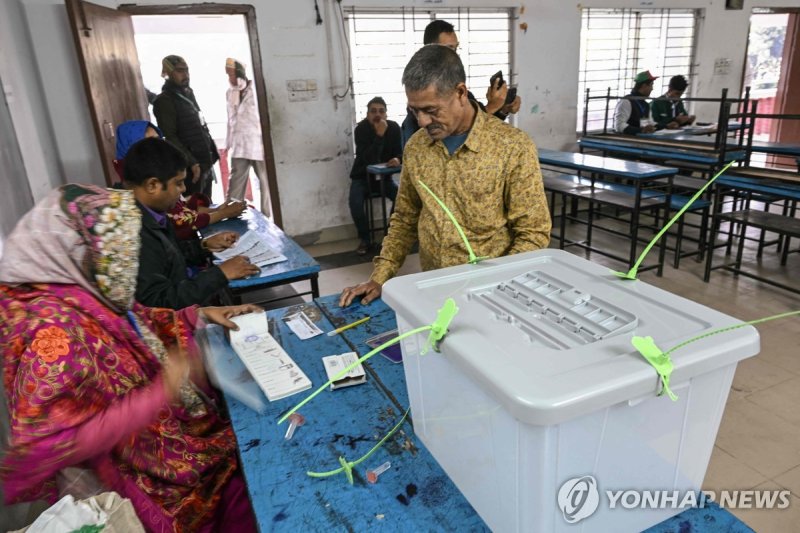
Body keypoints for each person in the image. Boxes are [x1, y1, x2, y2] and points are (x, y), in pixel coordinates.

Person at [0, 183, 259, 532]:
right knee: (241, 489)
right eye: (115, 251)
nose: (124, 262)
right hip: (138, 467)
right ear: (79, 247)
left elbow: (137, 319)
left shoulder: (77, 287)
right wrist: (160, 392)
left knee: (246, 455)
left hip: (160, 432)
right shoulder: (49, 334)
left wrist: (200, 314)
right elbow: (57, 441)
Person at [339, 45, 551, 307]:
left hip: (494, 297)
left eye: (431, 110)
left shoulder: (512, 146)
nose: (423, 121)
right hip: (433, 287)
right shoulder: (417, 147)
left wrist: (496, 289)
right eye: (415, 111)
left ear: (460, 92)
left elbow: (533, 234)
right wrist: (380, 277)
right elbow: (405, 218)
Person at [125, 137, 261, 309]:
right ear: (152, 185)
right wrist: (220, 274)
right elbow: (159, 304)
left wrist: (203, 245)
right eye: (179, 183)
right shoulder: (135, 234)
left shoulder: (153, 212)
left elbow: (170, 256)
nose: (183, 190)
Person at [114, 120, 246, 241]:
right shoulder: (135, 199)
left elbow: (181, 210)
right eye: (151, 141)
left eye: (159, 139)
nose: (160, 146)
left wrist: (215, 211)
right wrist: (223, 213)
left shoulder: (162, 175)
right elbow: (178, 221)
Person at [401, 19, 522, 145]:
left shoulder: (466, 95)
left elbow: (483, 133)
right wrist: (492, 106)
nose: (454, 54)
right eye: (448, 49)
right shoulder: (420, 102)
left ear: (461, 92)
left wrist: (502, 109)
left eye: (455, 48)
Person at [153, 55, 219, 197]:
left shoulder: (188, 93)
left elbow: (199, 126)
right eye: (179, 71)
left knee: (208, 206)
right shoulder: (164, 101)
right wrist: (191, 162)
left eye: (186, 70)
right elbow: (170, 137)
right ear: (168, 73)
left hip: (204, 162)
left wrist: (211, 153)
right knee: (195, 211)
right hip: (189, 168)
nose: (185, 75)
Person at [349, 96, 402, 255]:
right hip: (362, 177)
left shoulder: (393, 128)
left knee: (401, 199)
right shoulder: (361, 129)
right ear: (367, 114)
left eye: (381, 111)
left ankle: (390, 236)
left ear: (386, 114)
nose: (377, 115)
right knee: (355, 202)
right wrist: (379, 136)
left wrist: (397, 159)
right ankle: (365, 239)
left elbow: (401, 153)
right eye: (373, 111)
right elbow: (367, 159)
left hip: (384, 178)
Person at [224, 58, 272, 218]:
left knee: (266, 183)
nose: (230, 78)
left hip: (258, 145)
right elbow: (230, 120)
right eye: (227, 75)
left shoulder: (256, 90)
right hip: (239, 145)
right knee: (235, 184)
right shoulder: (230, 93)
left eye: (231, 74)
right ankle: (231, 215)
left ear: (240, 73)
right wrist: (227, 144)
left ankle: (268, 218)